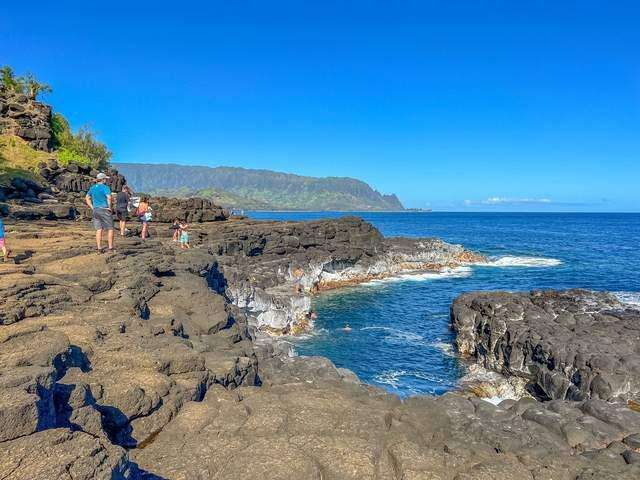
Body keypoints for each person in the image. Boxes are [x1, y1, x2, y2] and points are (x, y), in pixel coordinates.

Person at [85, 172, 114, 253]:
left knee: (99, 229)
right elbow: (109, 197)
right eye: (105, 179)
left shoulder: (92, 188)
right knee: (110, 228)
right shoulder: (105, 187)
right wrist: (110, 207)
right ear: (103, 179)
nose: (106, 180)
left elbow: (87, 197)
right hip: (104, 209)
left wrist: (92, 207)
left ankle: (99, 248)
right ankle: (110, 248)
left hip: (96, 210)